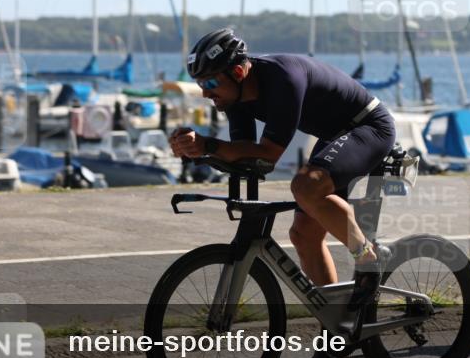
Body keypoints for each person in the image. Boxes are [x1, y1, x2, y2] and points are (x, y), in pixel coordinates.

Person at [169, 29, 395, 334]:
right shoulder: (234, 98)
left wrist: (209, 144)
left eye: (210, 83)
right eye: (200, 85)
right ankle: (337, 327)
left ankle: (370, 258)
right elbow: (245, 154)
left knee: (305, 186)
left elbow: (268, 154)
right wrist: (194, 150)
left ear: (238, 72)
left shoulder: (283, 79)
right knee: (303, 235)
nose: (205, 94)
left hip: (368, 127)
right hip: (335, 137)